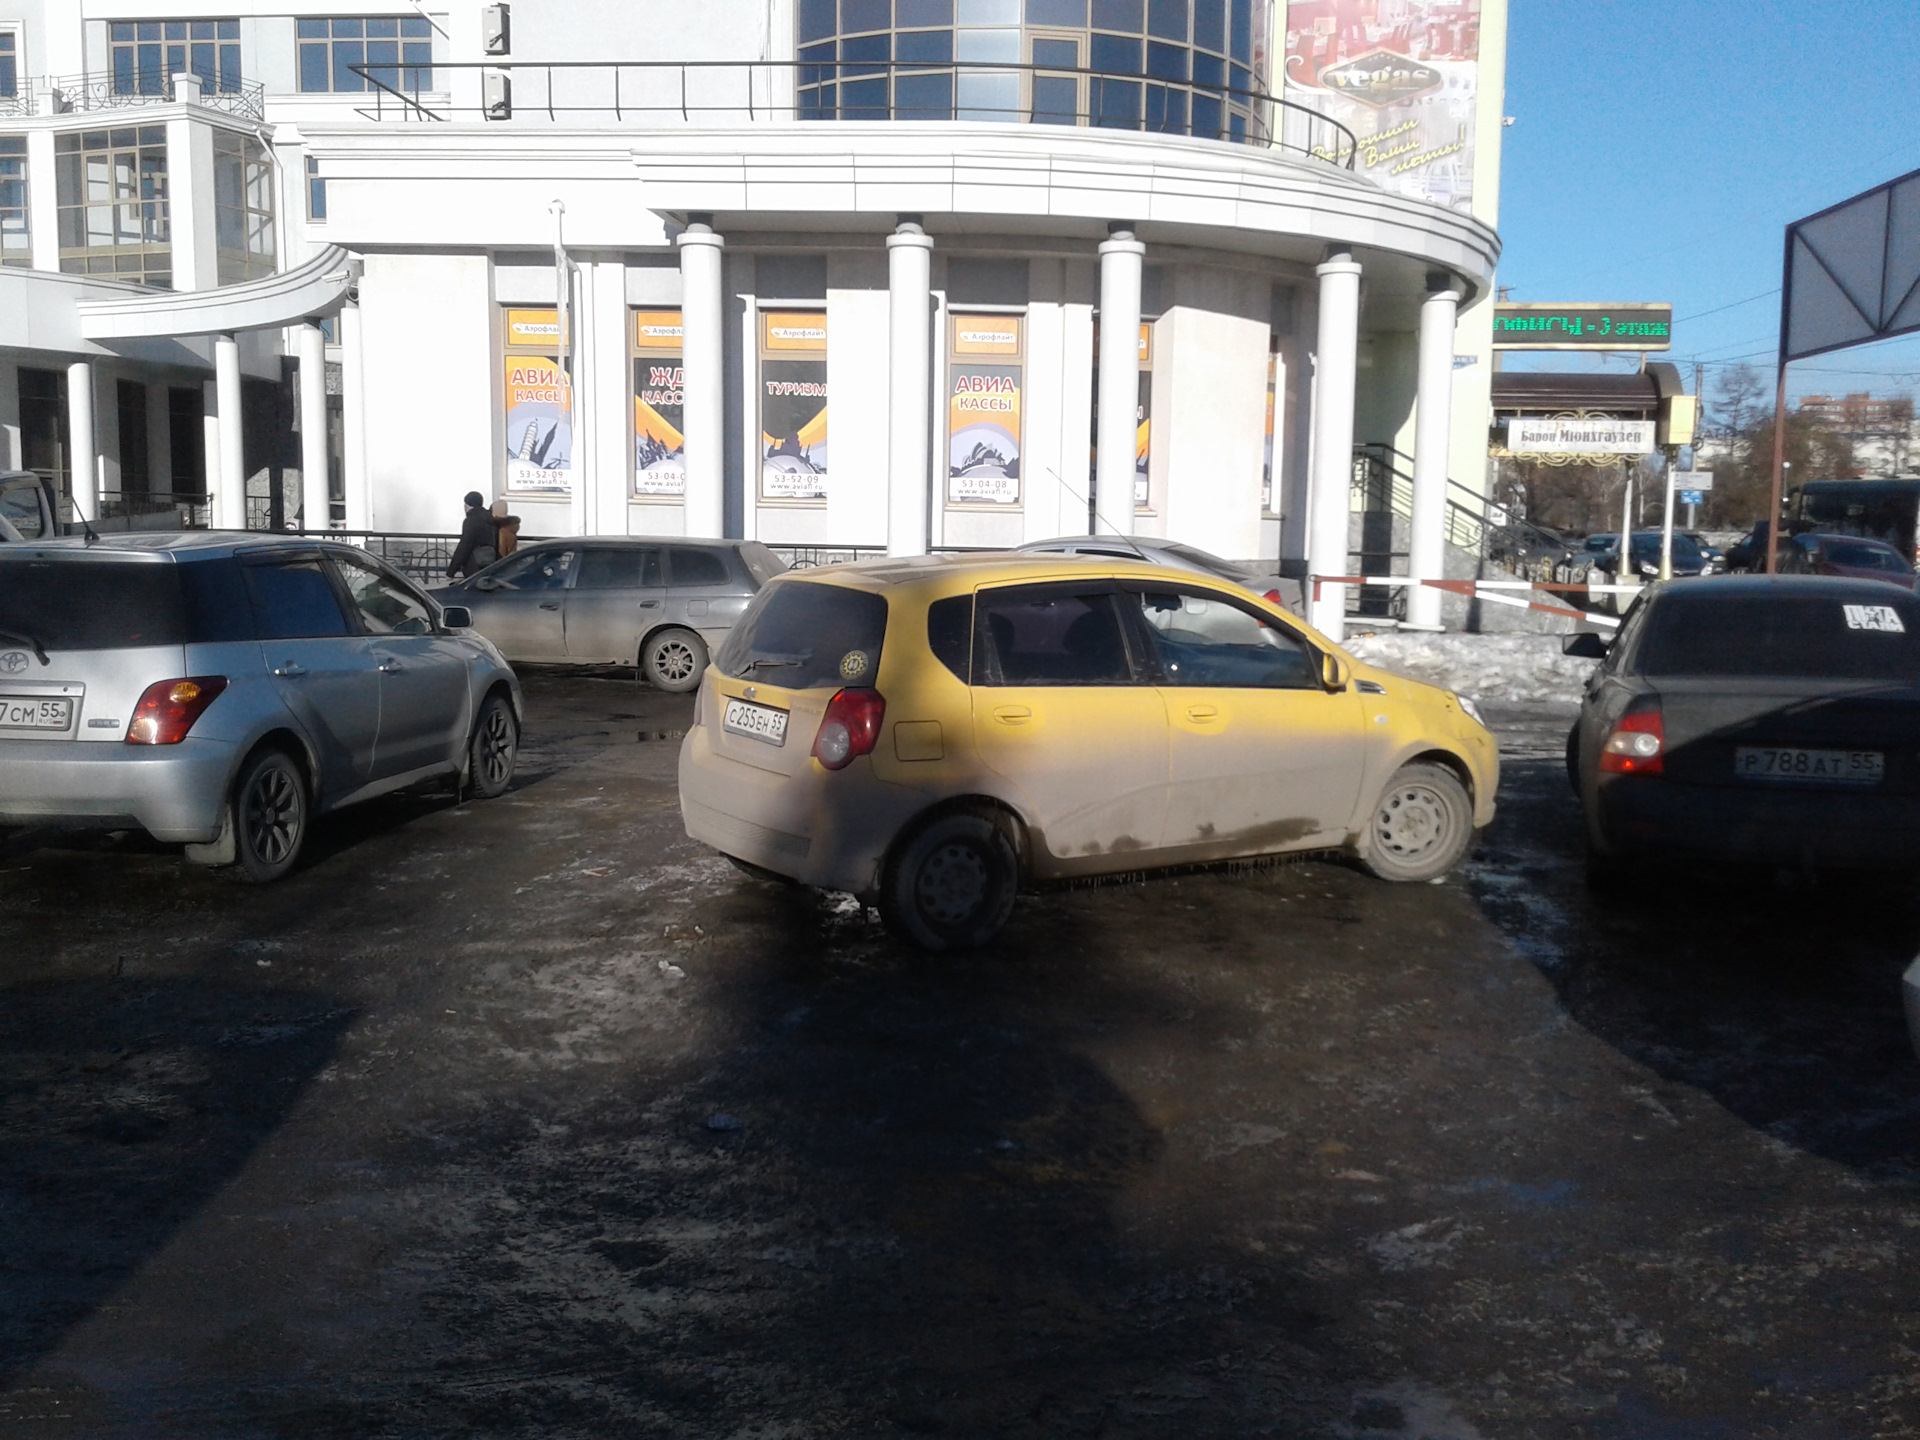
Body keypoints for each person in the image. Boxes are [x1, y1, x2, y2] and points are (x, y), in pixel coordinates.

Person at [446, 491, 499, 578]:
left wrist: (451, 572)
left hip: (474, 565)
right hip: (490, 563)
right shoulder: (490, 518)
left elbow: (464, 546)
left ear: (468, 505)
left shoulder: (471, 520)